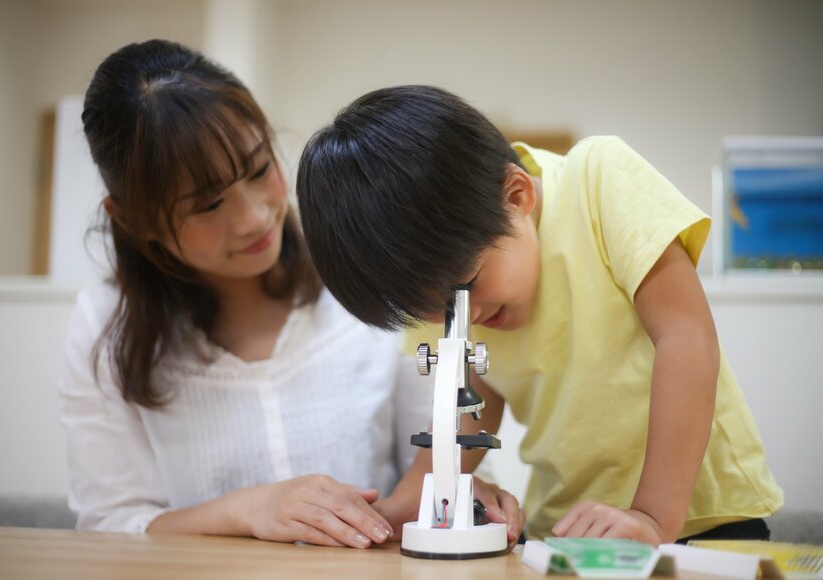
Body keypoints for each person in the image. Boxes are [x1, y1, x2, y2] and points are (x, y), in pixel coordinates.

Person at [60, 43, 524, 548]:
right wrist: (246, 510)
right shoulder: (104, 326)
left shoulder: (370, 275)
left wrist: (460, 489)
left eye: (260, 169)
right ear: (133, 219)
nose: (254, 218)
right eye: (207, 205)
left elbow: (446, 441)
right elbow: (108, 524)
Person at [295, 85, 784, 545]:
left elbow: (685, 336)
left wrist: (653, 516)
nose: (470, 316)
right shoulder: (448, 275)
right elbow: (474, 398)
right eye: (440, 312)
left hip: (702, 520)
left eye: (470, 286)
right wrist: (414, 496)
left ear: (517, 196)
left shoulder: (597, 182)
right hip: (569, 529)